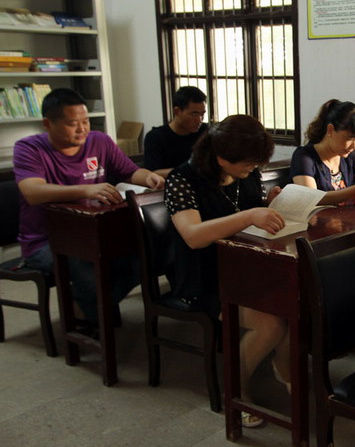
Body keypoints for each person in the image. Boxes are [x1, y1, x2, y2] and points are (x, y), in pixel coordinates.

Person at [165, 114, 290, 429]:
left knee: (296, 302)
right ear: (221, 157)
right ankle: (237, 390)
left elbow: (246, 209)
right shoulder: (182, 179)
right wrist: (250, 215)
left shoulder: (246, 173)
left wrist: (269, 203)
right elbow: (193, 236)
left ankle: (287, 370)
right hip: (204, 277)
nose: (253, 169)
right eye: (247, 164)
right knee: (270, 324)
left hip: (246, 268)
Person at [13, 88, 164, 329]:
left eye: (86, 121)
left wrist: (148, 177)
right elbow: (32, 192)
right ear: (48, 124)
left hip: (94, 233)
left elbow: (129, 171)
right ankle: (92, 315)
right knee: (89, 268)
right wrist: (84, 190)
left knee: (142, 257)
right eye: (73, 124)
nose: (82, 129)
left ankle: (83, 307)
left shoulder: (99, 141)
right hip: (46, 240)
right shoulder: (29, 148)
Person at [143, 86, 208, 177]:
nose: (199, 120)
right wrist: (188, 171)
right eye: (194, 114)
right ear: (177, 111)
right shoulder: (155, 137)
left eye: (202, 114)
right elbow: (152, 173)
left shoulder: (205, 132)